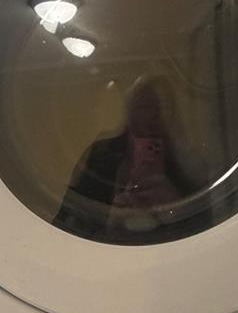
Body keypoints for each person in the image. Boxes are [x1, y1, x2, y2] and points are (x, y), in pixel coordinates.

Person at [55, 79, 192, 240]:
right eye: (145, 107)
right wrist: (109, 218)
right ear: (130, 112)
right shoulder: (102, 154)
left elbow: (201, 221)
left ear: (173, 113)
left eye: (163, 107)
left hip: (169, 245)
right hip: (103, 246)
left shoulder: (185, 160)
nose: (154, 114)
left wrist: (172, 205)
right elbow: (70, 218)